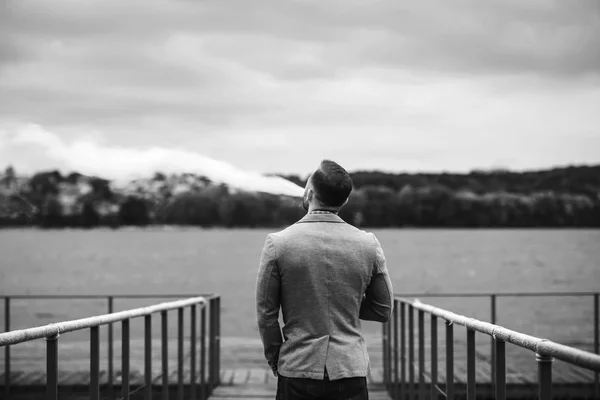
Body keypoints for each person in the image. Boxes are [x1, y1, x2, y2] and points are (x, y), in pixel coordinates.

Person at [256, 159, 394, 400]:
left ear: (309, 193)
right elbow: (383, 310)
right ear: (345, 201)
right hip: (351, 371)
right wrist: (345, 300)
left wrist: (276, 360)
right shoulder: (368, 243)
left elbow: (266, 315)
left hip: (297, 369)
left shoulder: (277, 243)